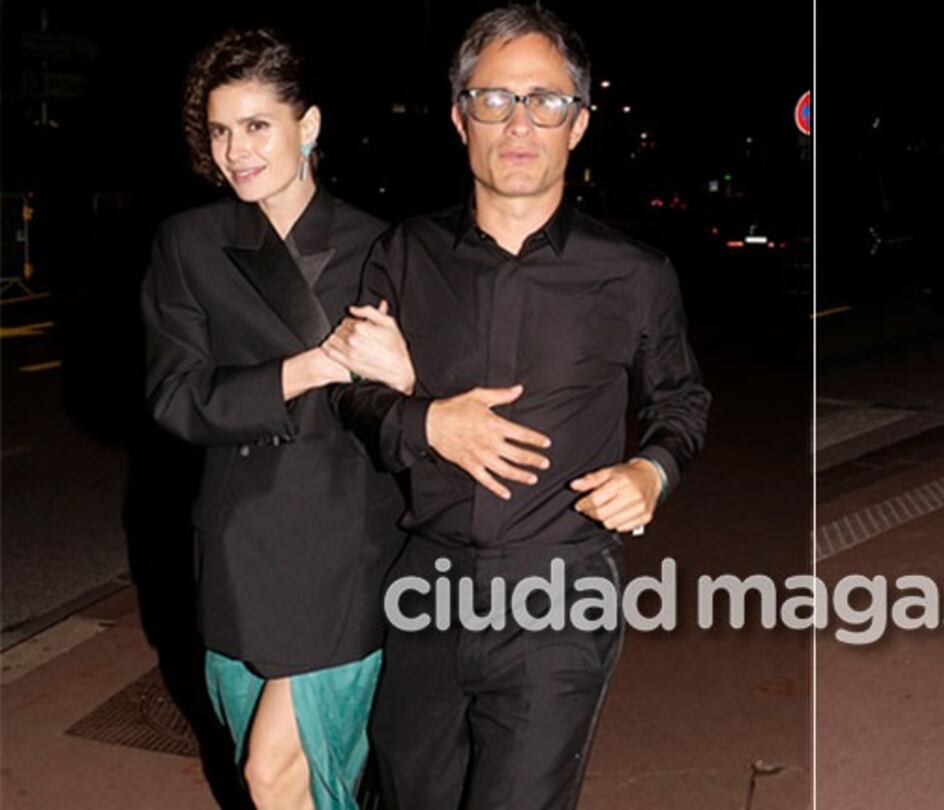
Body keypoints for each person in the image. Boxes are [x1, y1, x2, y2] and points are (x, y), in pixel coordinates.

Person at [325, 5, 711, 809]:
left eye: (546, 101)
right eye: (496, 99)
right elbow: (352, 395)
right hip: (426, 586)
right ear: (461, 116)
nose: (520, 123)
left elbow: (683, 398)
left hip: (560, 594)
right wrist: (426, 419)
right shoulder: (403, 254)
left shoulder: (633, 274)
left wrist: (653, 468)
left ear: (579, 124)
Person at [141, 29, 409, 810]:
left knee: (274, 772)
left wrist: (406, 375)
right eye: (221, 131)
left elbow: (420, 396)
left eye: (257, 126)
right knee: (278, 778)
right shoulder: (190, 243)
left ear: (310, 126)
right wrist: (310, 366)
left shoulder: (386, 247)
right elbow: (177, 396)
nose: (235, 151)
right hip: (243, 543)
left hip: (352, 542)